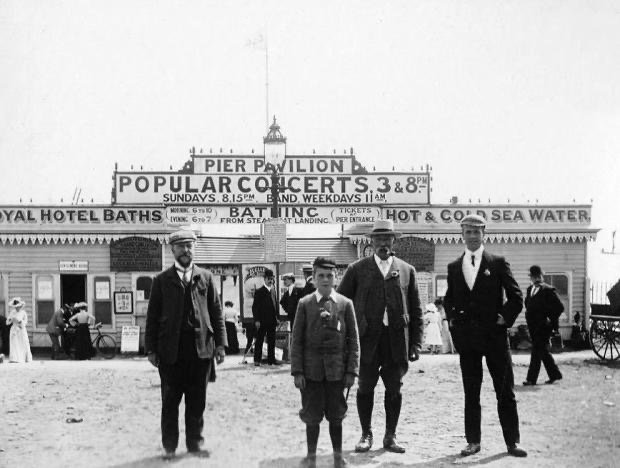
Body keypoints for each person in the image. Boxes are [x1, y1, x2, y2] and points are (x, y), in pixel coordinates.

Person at [444, 214, 527, 458]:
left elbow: (516, 297)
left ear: (484, 233)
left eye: (476, 231)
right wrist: (453, 325)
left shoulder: (498, 263)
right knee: (471, 392)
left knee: (505, 392)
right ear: (462, 234)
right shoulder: (454, 267)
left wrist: (504, 319)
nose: (472, 236)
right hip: (468, 341)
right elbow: (449, 300)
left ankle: (512, 442)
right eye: (467, 231)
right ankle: (473, 442)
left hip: (495, 339)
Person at [337, 219, 423, 454]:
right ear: (371, 241)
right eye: (378, 239)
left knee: (394, 389)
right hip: (366, 341)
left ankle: (390, 435)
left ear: (394, 241)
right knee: (365, 387)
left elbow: (415, 309)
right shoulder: (357, 269)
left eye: (387, 238)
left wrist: (415, 342)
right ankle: (366, 434)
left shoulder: (407, 270)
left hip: (396, 341)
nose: (383, 243)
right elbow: (340, 305)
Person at [145, 230, 226, 460]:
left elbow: (216, 312)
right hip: (171, 352)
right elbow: (152, 317)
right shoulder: (161, 281)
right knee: (170, 402)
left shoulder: (206, 278)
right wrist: (150, 349)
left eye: (189, 246)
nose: (185, 250)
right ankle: (169, 447)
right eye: (180, 247)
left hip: (200, 350)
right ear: (172, 250)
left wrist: (220, 345)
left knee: (197, 401)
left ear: (194, 248)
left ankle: (195, 445)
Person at [291, 256, 360, 468]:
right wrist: (298, 372)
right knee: (312, 416)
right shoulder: (305, 304)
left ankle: (338, 457)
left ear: (336, 277)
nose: (325, 280)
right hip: (311, 372)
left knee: (336, 416)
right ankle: (311, 457)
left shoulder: (345, 304)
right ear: (313, 278)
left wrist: (351, 372)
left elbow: (354, 341)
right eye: (320, 275)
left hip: (337, 372)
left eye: (330, 275)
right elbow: (297, 340)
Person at [523, 265, 564, 386]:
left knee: (536, 351)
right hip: (533, 327)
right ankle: (555, 374)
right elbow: (528, 305)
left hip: (543, 327)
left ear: (541, 276)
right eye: (533, 277)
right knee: (543, 351)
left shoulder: (548, 290)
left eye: (537, 276)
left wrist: (551, 321)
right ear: (531, 278)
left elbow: (559, 308)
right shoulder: (530, 289)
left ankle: (531, 379)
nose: (535, 279)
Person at [252, 268, 280, 366]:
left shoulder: (273, 291)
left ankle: (271, 360)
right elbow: (255, 307)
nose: (270, 281)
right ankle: (257, 360)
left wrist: (277, 317)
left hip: (272, 321)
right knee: (259, 341)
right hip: (262, 321)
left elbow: (275, 305)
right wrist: (257, 320)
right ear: (264, 279)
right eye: (268, 278)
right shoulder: (259, 291)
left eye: (272, 279)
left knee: (272, 341)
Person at [6, 297, 33, 363]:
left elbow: (25, 322)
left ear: (21, 306)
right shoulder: (12, 312)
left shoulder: (23, 313)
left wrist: (20, 321)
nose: (17, 308)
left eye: (18, 306)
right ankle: (15, 358)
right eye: (15, 307)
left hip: (21, 329)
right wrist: (10, 319)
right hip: (14, 329)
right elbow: (7, 322)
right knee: (14, 344)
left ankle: (24, 358)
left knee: (23, 343)